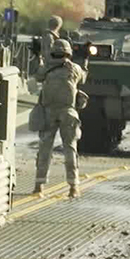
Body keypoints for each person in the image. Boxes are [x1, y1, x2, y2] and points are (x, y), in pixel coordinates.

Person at [34, 39, 88, 198]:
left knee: (44, 149)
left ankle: (39, 185)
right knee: (70, 149)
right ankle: (73, 187)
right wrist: (85, 59)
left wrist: (39, 58)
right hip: (68, 112)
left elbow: (37, 76)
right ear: (68, 53)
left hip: (48, 112)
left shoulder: (46, 69)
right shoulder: (74, 69)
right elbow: (83, 78)